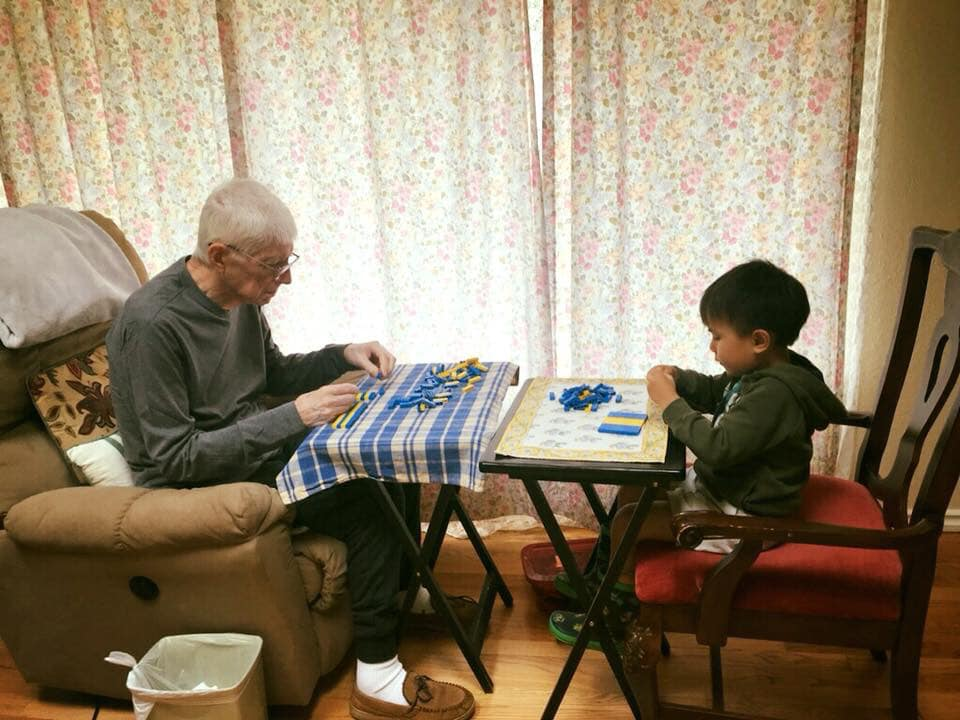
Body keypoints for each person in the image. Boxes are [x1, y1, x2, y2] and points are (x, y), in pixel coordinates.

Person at [106, 178, 476, 720]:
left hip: (252, 450)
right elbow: (173, 459)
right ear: (219, 254)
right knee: (364, 492)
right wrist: (296, 414)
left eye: (287, 261)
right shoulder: (153, 324)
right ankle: (377, 681)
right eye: (273, 265)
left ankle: (401, 597)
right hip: (196, 483)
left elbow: (272, 371)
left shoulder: (240, 296)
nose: (286, 277)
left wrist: (341, 353)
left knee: (387, 457)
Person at [548, 259, 847, 648]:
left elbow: (717, 448)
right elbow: (713, 391)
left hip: (745, 517)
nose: (712, 346)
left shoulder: (775, 395)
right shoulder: (758, 372)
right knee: (631, 492)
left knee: (627, 523)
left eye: (717, 336)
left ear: (758, 340)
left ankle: (616, 619)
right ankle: (600, 583)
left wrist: (672, 404)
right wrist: (680, 378)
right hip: (726, 491)